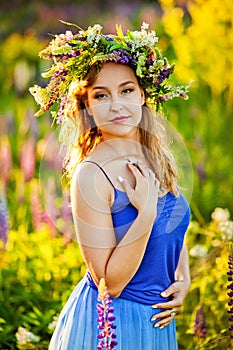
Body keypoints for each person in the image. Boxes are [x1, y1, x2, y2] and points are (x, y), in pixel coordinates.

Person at [30, 22, 191, 350]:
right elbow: (111, 284)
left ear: (143, 94)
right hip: (114, 326)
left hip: (157, 323)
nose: (117, 104)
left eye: (127, 90)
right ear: (87, 106)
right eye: (101, 95)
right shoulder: (91, 176)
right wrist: (144, 213)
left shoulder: (155, 155)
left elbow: (172, 222)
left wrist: (183, 276)